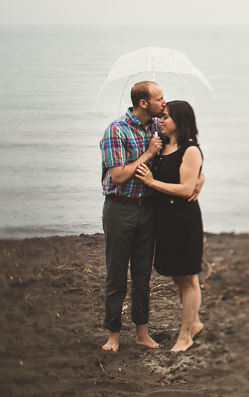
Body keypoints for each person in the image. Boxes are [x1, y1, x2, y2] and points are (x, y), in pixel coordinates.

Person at [98, 81, 204, 352]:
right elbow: (119, 176)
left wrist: (200, 178)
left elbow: (186, 154)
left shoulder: (159, 127)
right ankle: (113, 335)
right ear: (143, 103)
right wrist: (148, 153)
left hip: (149, 209)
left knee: (143, 275)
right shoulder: (116, 130)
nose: (164, 103)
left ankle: (141, 333)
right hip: (119, 208)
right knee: (117, 275)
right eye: (160, 99)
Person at [135, 100, 206, 352]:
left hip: (183, 220)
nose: (161, 120)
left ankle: (185, 336)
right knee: (178, 277)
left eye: (166, 117)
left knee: (188, 278)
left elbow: (186, 189)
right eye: (162, 116)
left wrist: (152, 183)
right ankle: (194, 322)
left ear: (180, 120)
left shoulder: (190, 150)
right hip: (164, 219)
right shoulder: (163, 145)